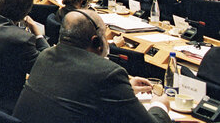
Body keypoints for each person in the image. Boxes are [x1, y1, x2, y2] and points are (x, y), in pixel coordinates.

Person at [13, 9, 171, 123]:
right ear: (96, 41)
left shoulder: (46, 56)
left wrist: (123, 89)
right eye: (104, 35)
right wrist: (159, 105)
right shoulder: (108, 73)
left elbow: (76, 87)